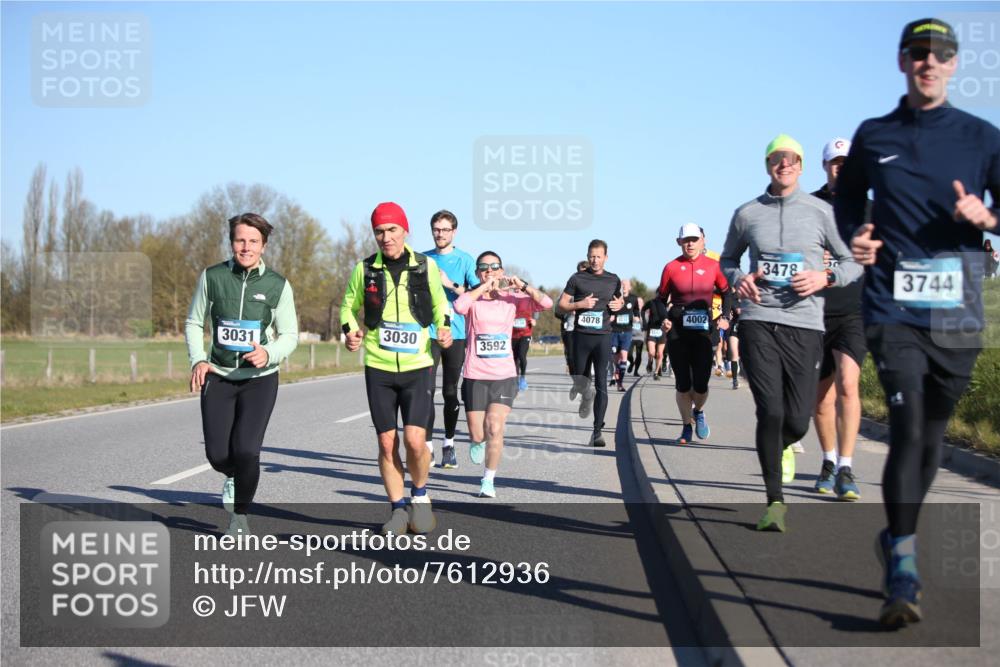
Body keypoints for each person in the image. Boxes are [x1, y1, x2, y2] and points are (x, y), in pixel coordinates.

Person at [835, 18, 1000, 628]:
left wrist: (986, 214)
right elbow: (849, 198)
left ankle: (895, 535)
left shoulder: (982, 138)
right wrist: (857, 232)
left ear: (954, 64)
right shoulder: (875, 134)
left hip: (958, 311)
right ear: (902, 62)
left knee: (932, 433)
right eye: (917, 54)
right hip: (893, 305)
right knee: (905, 426)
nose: (929, 63)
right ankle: (903, 561)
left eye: (941, 55)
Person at [721, 133, 861, 533]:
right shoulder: (746, 213)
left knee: (798, 420)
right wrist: (738, 279)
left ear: (800, 166)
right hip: (758, 319)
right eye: (776, 158)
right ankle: (774, 502)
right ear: (768, 165)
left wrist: (825, 276)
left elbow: (854, 263)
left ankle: (782, 443)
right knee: (771, 409)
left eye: (791, 158)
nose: (784, 164)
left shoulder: (821, 212)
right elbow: (729, 258)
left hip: (805, 322)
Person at [341, 202, 452, 536]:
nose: (385, 237)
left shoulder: (425, 266)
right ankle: (398, 510)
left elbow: (439, 303)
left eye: (391, 230)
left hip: (417, 364)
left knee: (416, 442)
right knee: (387, 443)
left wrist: (443, 328)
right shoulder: (365, 269)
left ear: (405, 231)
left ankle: (420, 495)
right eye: (379, 231)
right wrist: (350, 331)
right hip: (379, 365)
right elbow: (348, 305)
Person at [185, 212, 299, 536]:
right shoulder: (213, 277)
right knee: (219, 453)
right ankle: (232, 475)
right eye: (240, 240)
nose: (246, 247)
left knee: (247, 450)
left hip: (259, 379)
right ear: (231, 242)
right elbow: (194, 321)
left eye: (253, 241)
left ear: (263, 245)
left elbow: (290, 334)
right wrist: (198, 360)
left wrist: (269, 353)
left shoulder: (277, 285)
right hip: (219, 375)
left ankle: (240, 516)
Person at [453, 252, 553, 497]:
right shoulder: (473, 297)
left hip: (504, 375)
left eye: (494, 267)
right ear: (477, 272)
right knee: (477, 433)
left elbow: (546, 304)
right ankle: (477, 442)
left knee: (494, 427)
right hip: (475, 374)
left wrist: (524, 286)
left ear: (501, 270)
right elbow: (459, 306)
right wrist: (482, 288)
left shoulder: (512, 299)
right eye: (484, 268)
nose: (489, 271)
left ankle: (488, 480)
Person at [811, 137, 868, 500]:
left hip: (854, 310)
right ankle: (828, 461)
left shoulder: (868, 208)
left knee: (849, 383)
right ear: (825, 166)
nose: (840, 168)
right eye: (835, 162)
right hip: (814, 312)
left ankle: (846, 466)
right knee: (821, 398)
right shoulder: (810, 206)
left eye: (847, 163)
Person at [658, 224, 732, 444]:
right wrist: (663, 318)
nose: (690, 244)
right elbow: (660, 300)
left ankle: (698, 411)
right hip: (678, 330)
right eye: (685, 240)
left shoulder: (713, 266)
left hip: (703, 329)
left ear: (702, 240)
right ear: (679, 242)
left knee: (700, 383)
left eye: (694, 239)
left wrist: (725, 317)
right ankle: (685, 427)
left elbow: (728, 294)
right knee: (682, 383)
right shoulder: (671, 267)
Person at [423, 210, 479, 470]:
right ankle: (427, 448)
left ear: (454, 232)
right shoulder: (422, 260)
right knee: (425, 392)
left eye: (445, 229)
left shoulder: (465, 260)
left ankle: (448, 443)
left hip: (456, 334)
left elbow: (478, 295)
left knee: (448, 392)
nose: (440, 234)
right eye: (436, 229)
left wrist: (451, 284)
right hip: (429, 333)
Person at [558, 240, 625, 447]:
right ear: (588, 256)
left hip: (603, 336)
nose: (595, 260)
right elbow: (561, 306)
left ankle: (597, 432)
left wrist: (619, 304)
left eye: (599, 256)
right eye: (592, 256)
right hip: (581, 337)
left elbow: (619, 301)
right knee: (580, 379)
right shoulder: (577, 278)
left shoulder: (613, 279)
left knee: (602, 384)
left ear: (605, 257)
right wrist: (580, 304)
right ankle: (585, 394)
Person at [557, 260, 591, 376]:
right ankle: (577, 383)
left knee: (586, 360)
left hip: (589, 329)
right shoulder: (570, 287)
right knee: (571, 359)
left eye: (586, 272)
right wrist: (571, 309)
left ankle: (585, 385)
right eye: (581, 272)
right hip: (571, 328)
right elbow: (558, 310)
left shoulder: (595, 288)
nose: (583, 275)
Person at [610, 280, 643, 391]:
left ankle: (620, 384)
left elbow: (637, 313)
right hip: (614, 331)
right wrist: (610, 317)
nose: (623, 287)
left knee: (624, 357)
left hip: (627, 331)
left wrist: (636, 318)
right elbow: (609, 311)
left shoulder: (633, 299)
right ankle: (616, 371)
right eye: (622, 285)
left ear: (630, 287)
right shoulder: (614, 297)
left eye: (626, 285)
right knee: (615, 358)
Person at [511, 288, 535, 392]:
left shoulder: (529, 299)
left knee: (521, 355)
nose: (517, 291)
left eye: (519, 289)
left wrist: (534, 319)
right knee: (514, 358)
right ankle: (515, 380)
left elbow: (536, 310)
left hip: (526, 333)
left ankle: (522, 378)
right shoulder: (509, 299)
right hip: (512, 334)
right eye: (515, 289)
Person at [641, 296, 669, 378]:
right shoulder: (651, 302)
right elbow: (643, 310)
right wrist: (644, 322)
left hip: (662, 330)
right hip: (652, 330)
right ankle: (650, 362)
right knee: (651, 352)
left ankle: (656, 372)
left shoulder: (668, 304)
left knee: (660, 354)